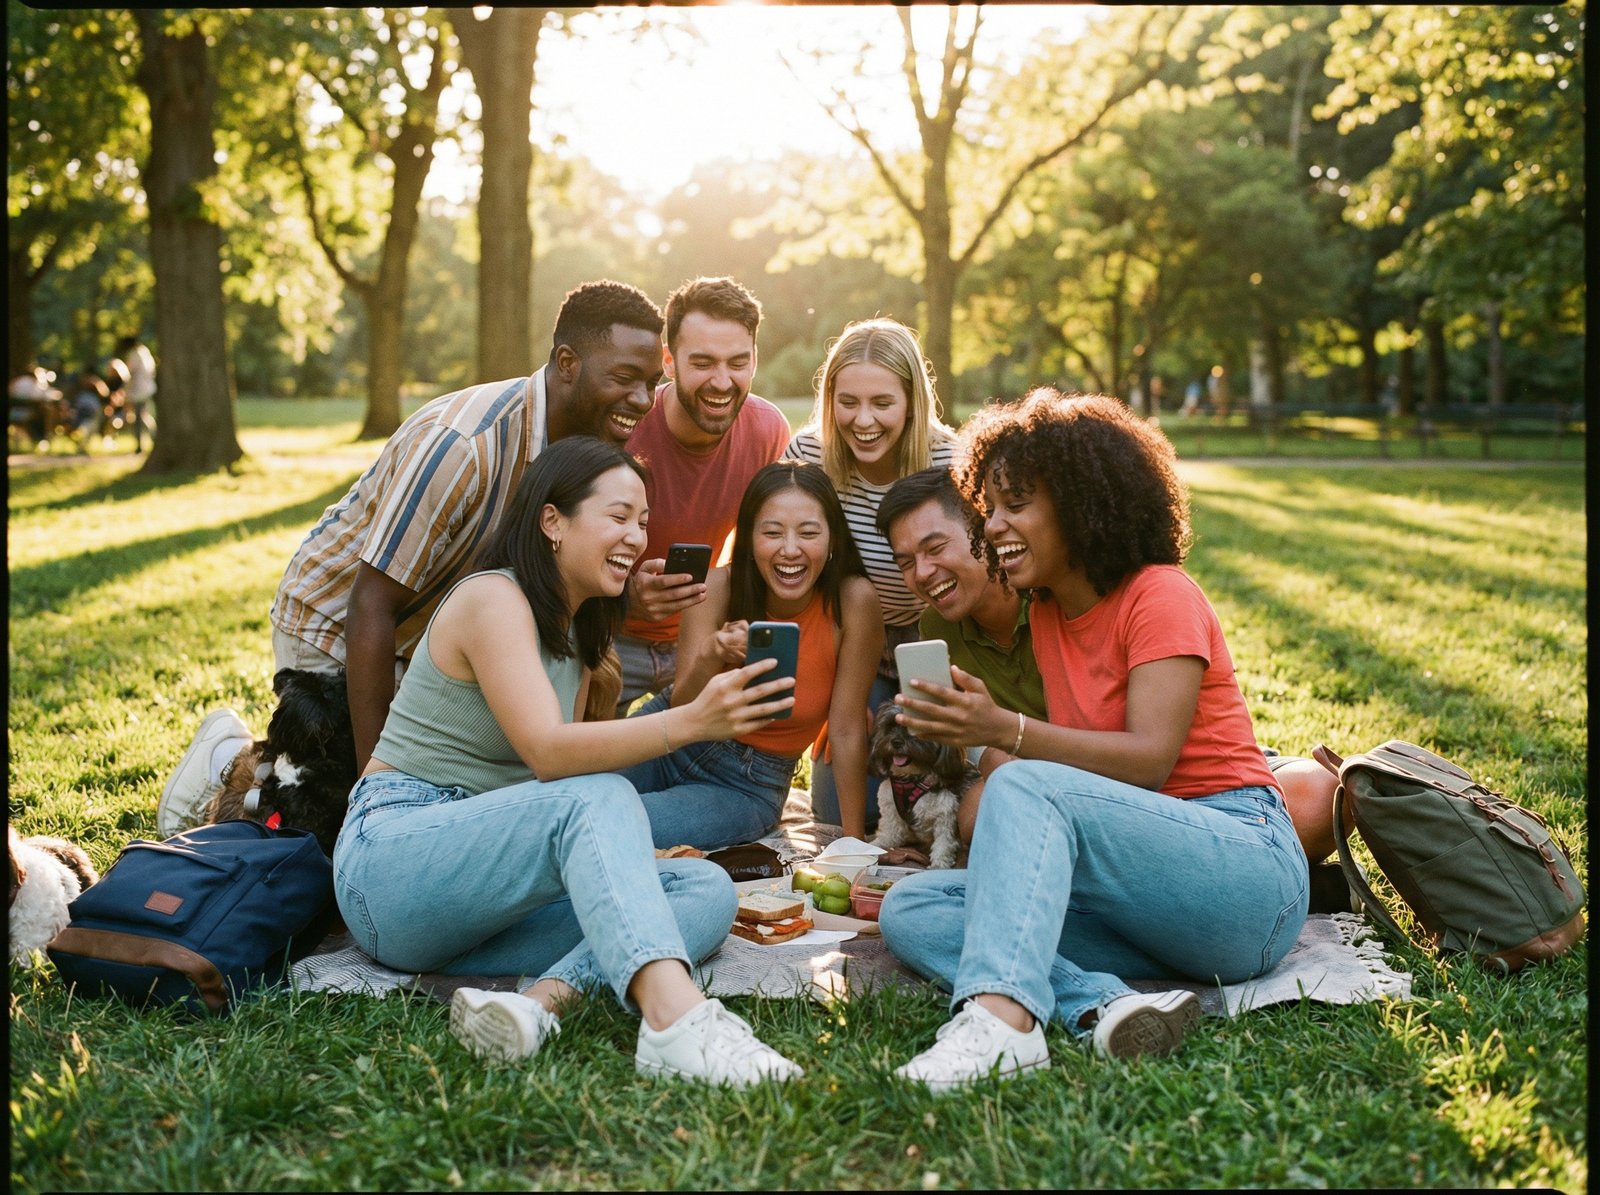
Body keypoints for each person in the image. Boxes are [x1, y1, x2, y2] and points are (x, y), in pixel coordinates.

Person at [333, 435, 803, 1084]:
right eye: (618, 517)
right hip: (394, 864)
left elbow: (562, 783)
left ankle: (533, 1010)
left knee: (704, 890)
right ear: (552, 520)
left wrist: (629, 856)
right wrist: (694, 721)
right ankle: (677, 1024)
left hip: (482, 895)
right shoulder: (493, 598)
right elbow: (550, 756)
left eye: (643, 521)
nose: (637, 537)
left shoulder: (580, 637)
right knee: (602, 793)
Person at [879, 389, 1309, 1087]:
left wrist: (1005, 732)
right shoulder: (1047, 615)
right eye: (988, 509)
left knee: (1018, 778)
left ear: (1080, 502)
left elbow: (1149, 760)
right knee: (916, 908)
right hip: (1145, 902)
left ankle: (1000, 1023)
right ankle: (1104, 1004)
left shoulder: (1161, 594)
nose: (993, 527)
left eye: (1015, 504)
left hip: (1244, 874)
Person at [158, 280, 666, 836]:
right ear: (567, 362)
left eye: (651, 383)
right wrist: (371, 797)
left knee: (462, 805)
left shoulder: (587, 455)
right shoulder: (465, 443)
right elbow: (371, 603)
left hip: (438, 643)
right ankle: (225, 765)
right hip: (339, 625)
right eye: (623, 379)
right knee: (332, 821)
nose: (642, 401)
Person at [618, 460, 882, 850]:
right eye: (772, 533)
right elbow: (682, 707)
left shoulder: (854, 601)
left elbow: (845, 728)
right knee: (565, 802)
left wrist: (855, 844)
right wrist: (713, 653)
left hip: (747, 785)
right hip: (666, 739)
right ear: (749, 539)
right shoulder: (716, 588)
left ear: (832, 542)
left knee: (614, 824)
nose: (790, 550)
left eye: (808, 533)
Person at [784, 318, 957, 838]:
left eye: (882, 403)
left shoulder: (951, 461)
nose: (863, 421)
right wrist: (844, 693)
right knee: (837, 818)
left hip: (934, 637)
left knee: (941, 795)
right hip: (853, 642)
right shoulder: (811, 456)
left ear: (911, 401)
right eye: (848, 402)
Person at [615, 276, 790, 716]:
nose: (722, 381)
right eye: (703, 363)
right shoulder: (624, 427)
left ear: (754, 360)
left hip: (702, 636)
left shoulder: (768, 431)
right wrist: (624, 599)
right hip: (609, 635)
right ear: (669, 362)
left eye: (737, 362)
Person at [877, 466, 1048, 847]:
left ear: (982, 530)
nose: (922, 573)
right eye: (906, 562)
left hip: (1091, 766)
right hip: (1016, 767)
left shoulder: (1048, 597)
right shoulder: (938, 627)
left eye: (936, 549)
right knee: (973, 816)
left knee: (981, 809)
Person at [115, 334, 158, 453]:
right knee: (144, 416)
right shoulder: (145, 352)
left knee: (140, 418)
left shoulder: (134, 354)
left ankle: (141, 445)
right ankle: (152, 439)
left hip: (139, 391)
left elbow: (129, 373)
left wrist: (125, 390)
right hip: (147, 388)